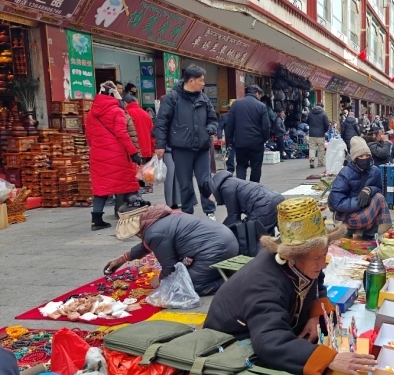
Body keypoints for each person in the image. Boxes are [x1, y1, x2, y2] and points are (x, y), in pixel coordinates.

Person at [203, 198, 377, 375]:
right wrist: (329, 359)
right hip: (234, 344)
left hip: (277, 324)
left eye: (324, 254)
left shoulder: (303, 264)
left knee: (328, 325)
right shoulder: (265, 284)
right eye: (316, 258)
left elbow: (316, 280)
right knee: (319, 359)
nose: (322, 264)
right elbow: (270, 340)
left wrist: (314, 315)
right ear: (291, 256)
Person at [106, 200, 238, 296]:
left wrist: (160, 280)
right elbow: (146, 245)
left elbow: (170, 267)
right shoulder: (158, 218)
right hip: (227, 243)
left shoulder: (154, 232)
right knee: (185, 277)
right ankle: (221, 273)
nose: (137, 235)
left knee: (183, 286)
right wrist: (122, 259)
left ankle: (232, 282)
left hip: (216, 250)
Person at [153, 65, 218, 219]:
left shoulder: (204, 98)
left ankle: (210, 211)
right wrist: (160, 145)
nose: (203, 84)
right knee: (185, 183)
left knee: (205, 181)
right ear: (191, 81)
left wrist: (208, 130)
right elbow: (161, 123)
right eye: (201, 80)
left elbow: (213, 119)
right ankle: (188, 213)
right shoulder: (172, 98)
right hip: (181, 148)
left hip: (202, 147)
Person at [87, 81, 140, 230]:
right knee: (128, 183)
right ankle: (131, 215)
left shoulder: (91, 113)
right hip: (117, 154)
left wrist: (97, 148)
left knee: (101, 187)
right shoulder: (117, 111)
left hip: (98, 154)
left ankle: (96, 220)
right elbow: (122, 134)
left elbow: (89, 137)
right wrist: (133, 152)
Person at [329, 136, 391, 239]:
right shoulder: (345, 173)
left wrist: (369, 190)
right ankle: (348, 228)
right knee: (376, 202)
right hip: (345, 213)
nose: (365, 159)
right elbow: (337, 202)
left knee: (379, 197)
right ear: (355, 158)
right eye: (361, 156)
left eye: (367, 155)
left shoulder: (375, 171)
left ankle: (369, 232)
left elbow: (379, 189)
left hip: (363, 210)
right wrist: (359, 202)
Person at [200, 171, 283, 231]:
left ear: (211, 194)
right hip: (276, 199)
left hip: (265, 206)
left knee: (251, 234)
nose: (214, 201)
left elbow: (234, 217)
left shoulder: (226, 189)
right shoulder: (230, 181)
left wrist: (220, 231)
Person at [225, 84, 270, 182]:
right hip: (256, 142)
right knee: (256, 167)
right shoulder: (261, 106)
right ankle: (253, 187)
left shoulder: (236, 104)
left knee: (241, 165)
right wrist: (264, 139)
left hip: (240, 142)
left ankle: (241, 187)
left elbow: (230, 125)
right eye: (260, 95)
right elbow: (266, 127)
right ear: (257, 94)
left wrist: (230, 141)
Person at [123, 90, 155, 164]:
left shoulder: (125, 114)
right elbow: (152, 134)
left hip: (133, 152)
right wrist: (153, 150)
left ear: (125, 103)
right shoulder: (146, 114)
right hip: (146, 150)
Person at [305, 103, 330, 169]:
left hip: (312, 134)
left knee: (312, 148)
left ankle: (311, 160)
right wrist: (325, 130)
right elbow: (327, 124)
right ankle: (320, 163)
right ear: (322, 107)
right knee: (321, 149)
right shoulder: (324, 114)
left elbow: (307, 121)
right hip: (321, 134)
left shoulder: (310, 113)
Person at [217, 103, 235, 175]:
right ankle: (230, 170)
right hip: (230, 139)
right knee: (230, 155)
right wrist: (220, 137)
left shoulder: (240, 116)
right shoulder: (225, 117)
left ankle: (241, 169)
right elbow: (220, 127)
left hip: (240, 139)